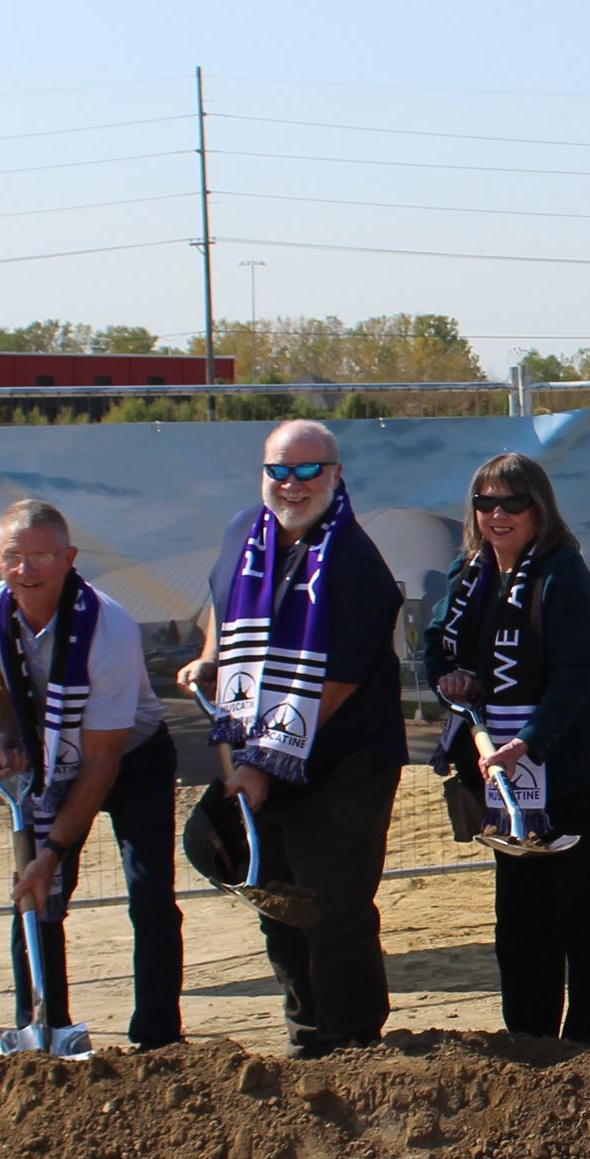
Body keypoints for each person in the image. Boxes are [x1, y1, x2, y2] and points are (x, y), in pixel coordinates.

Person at [177, 419, 405, 1057]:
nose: (293, 484)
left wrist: (260, 765)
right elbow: (223, 603)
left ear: (335, 475)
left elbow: (332, 688)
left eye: (309, 471)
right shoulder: (244, 533)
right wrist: (212, 656)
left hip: (341, 763)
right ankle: (307, 1037)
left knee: (332, 909)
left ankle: (355, 1043)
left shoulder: (355, 563)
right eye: (280, 470)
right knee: (262, 886)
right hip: (262, 754)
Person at [424, 453, 590, 1042]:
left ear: (538, 509)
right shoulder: (467, 574)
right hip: (510, 781)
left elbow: (579, 671)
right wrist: (453, 680)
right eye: (485, 503)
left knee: (589, 915)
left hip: (579, 768)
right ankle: (529, 1041)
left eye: (512, 503)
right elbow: (440, 649)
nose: (498, 514)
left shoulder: (561, 572)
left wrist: (530, 739)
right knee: (521, 919)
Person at [0, 499, 184, 1049]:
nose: (28, 570)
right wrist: (4, 733)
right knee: (35, 895)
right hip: (49, 755)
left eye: (42, 556)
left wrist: (53, 851)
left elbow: (102, 760)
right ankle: (42, 1027)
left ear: (69, 558)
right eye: (15, 557)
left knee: (150, 895)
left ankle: (158, 1040)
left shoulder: (108, 627)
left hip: (130, 757)